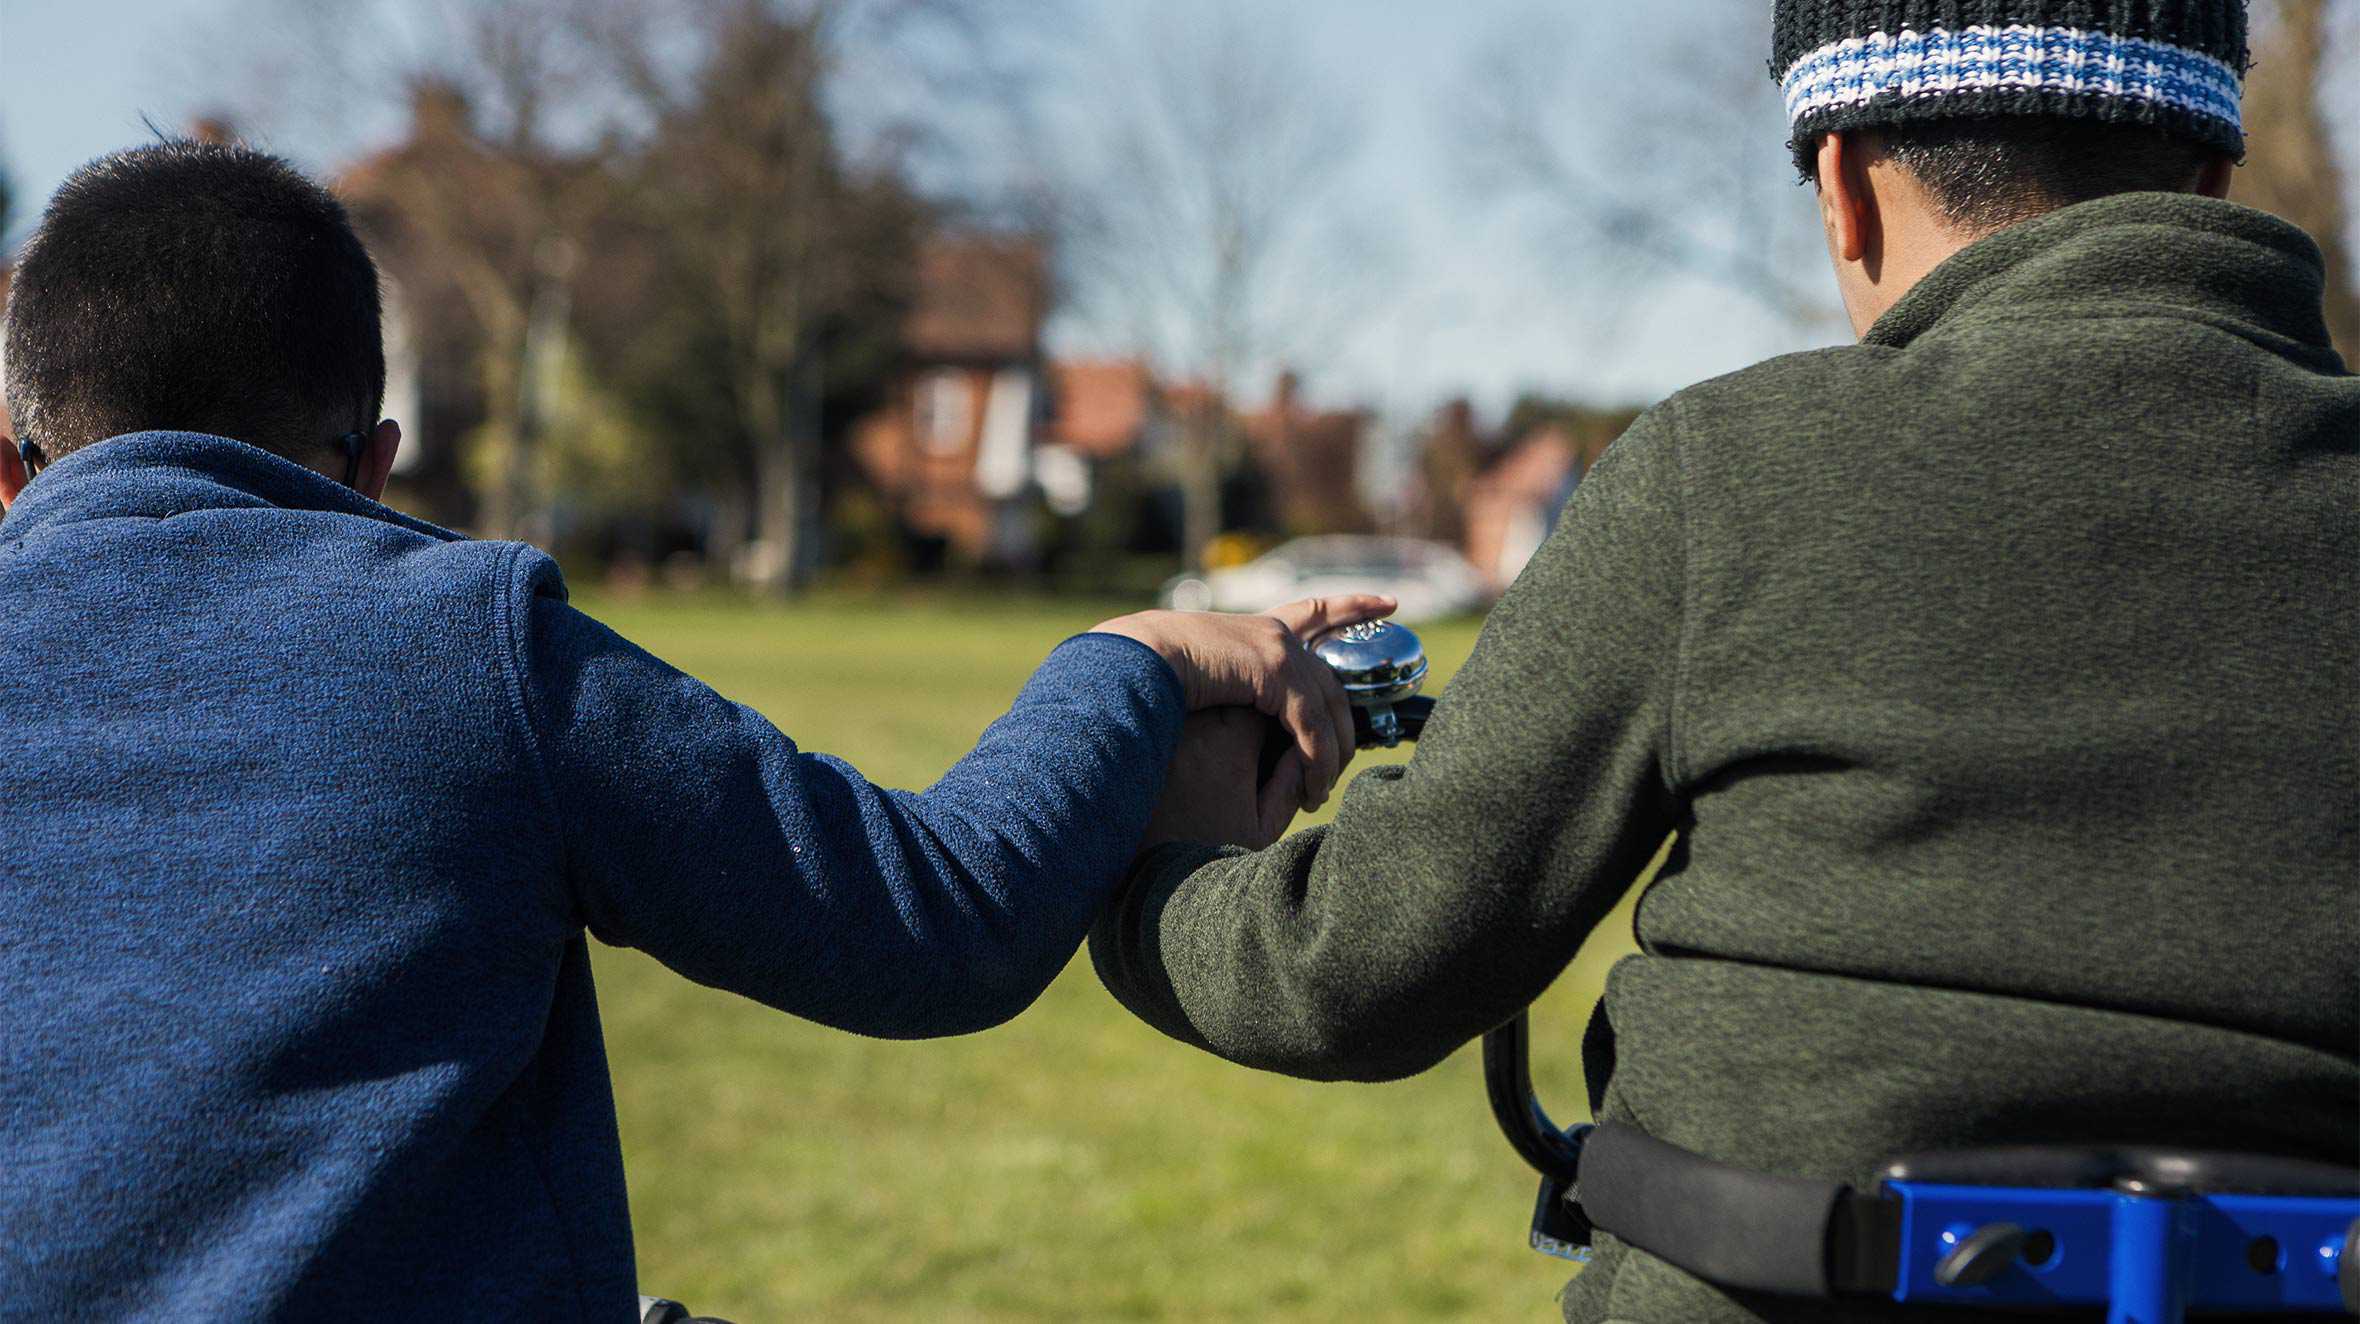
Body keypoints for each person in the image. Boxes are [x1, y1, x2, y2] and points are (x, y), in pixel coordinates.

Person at [1091, 2, 2358, 1320]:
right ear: (2215, 176)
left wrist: (1143, 870)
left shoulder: (1731, 473)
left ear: (1844, 188)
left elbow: (1352, 971)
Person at [0, 140, 1386, 1321]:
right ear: (375, 468)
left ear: (13, 469)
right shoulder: (465, 641)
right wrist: (1135, 661)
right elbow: (935, 922)